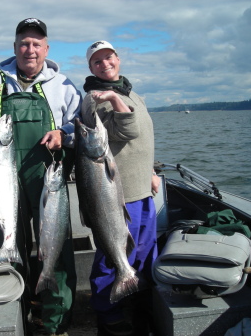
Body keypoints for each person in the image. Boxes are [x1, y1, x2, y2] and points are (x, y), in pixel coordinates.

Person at [0, 18, 81, 336]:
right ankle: (16, 314)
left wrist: (63, 134)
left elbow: (82, 126)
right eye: (24, 42)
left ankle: (55, 322)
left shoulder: (63, 85)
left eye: (37, 43)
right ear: (14, 47)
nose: (30, 49)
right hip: (6, 178)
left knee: (56, 249)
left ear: (46, 48)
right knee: (10, 246)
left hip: (48, 175)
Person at [81, 40, 160, 336]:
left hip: (142, 188)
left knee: (143, 251)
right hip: (117, 194)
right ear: (90, 68)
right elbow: (127, 130)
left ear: (118, 58)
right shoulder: (94, 99)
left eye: (108, 57)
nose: (105, 64)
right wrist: (113, 98)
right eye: (97, 62)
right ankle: (107, 310)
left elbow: (142, 139)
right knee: (112, 253)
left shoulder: (132, 93)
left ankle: (136, 297)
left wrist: (151, 170)